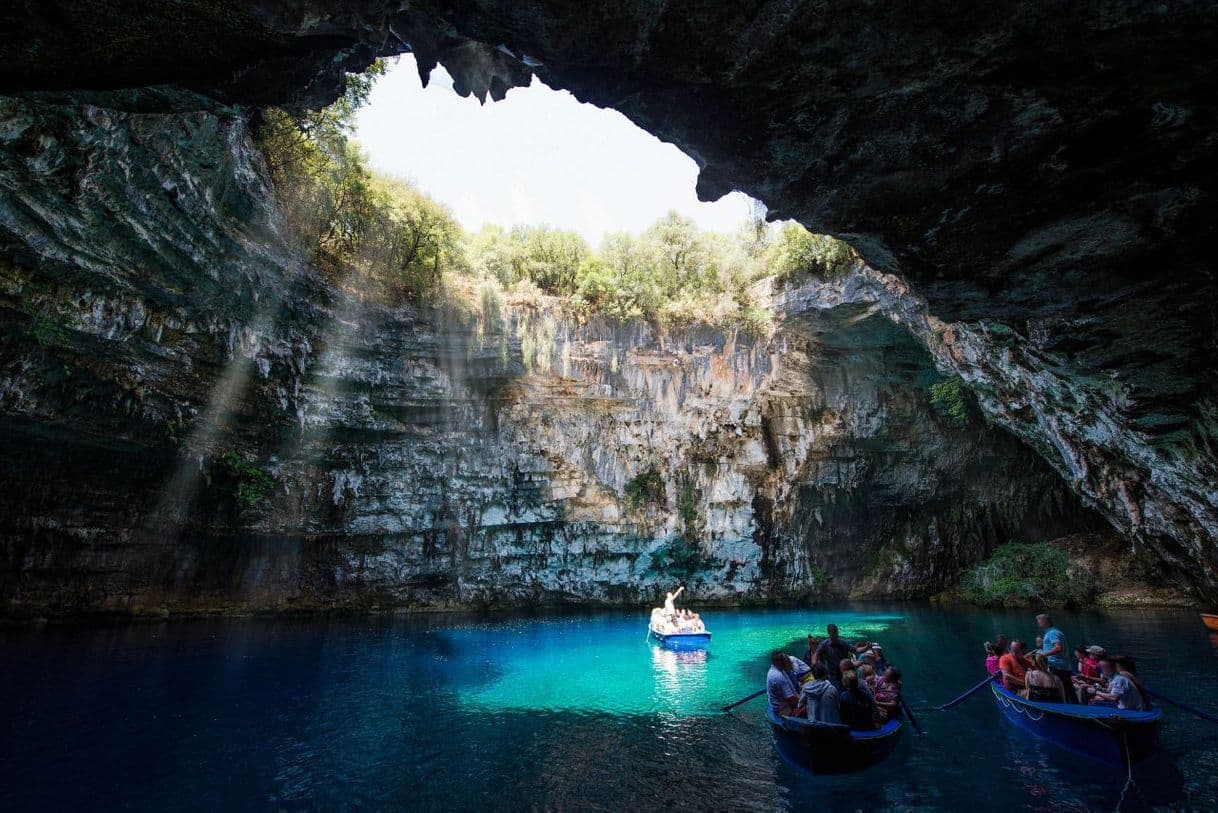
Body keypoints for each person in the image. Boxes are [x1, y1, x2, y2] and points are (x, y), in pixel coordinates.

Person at [1037, 613, 1076, 703]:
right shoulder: (1052, 632)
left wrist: (1043, 655)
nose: (1038, 623)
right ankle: (1074, 706)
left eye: (1039, 621)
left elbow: (1058, 647)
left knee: (1062, 690)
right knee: (1068, 689)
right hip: (1062, 666)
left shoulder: (1052, 633)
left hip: (1057, 666)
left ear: (1045, 622)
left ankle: (1067, 709)